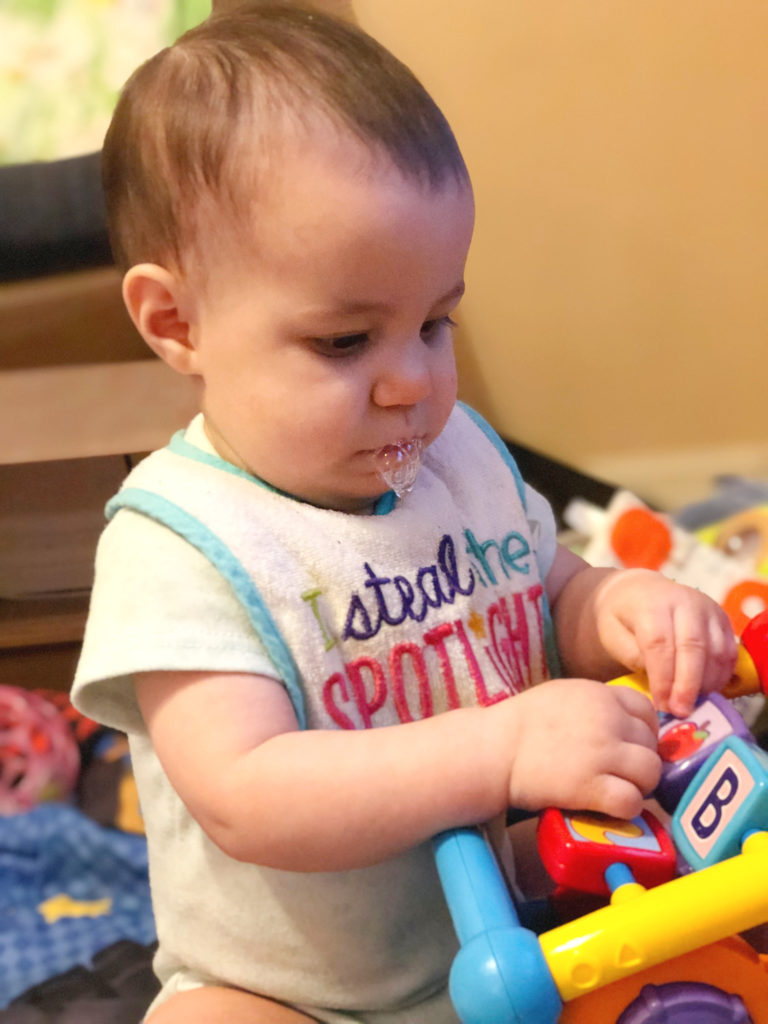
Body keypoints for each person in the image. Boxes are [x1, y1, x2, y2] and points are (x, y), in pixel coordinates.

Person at [71, 3, 738, 1021]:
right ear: (177, 321)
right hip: (294, 985)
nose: (410, 384)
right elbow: (247, 794)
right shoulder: (176, 542)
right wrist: (499, 751)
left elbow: (544, 591)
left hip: (520, 913)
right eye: (345, 342)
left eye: (435, 322)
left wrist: (619, 605)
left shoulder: (455, 450)